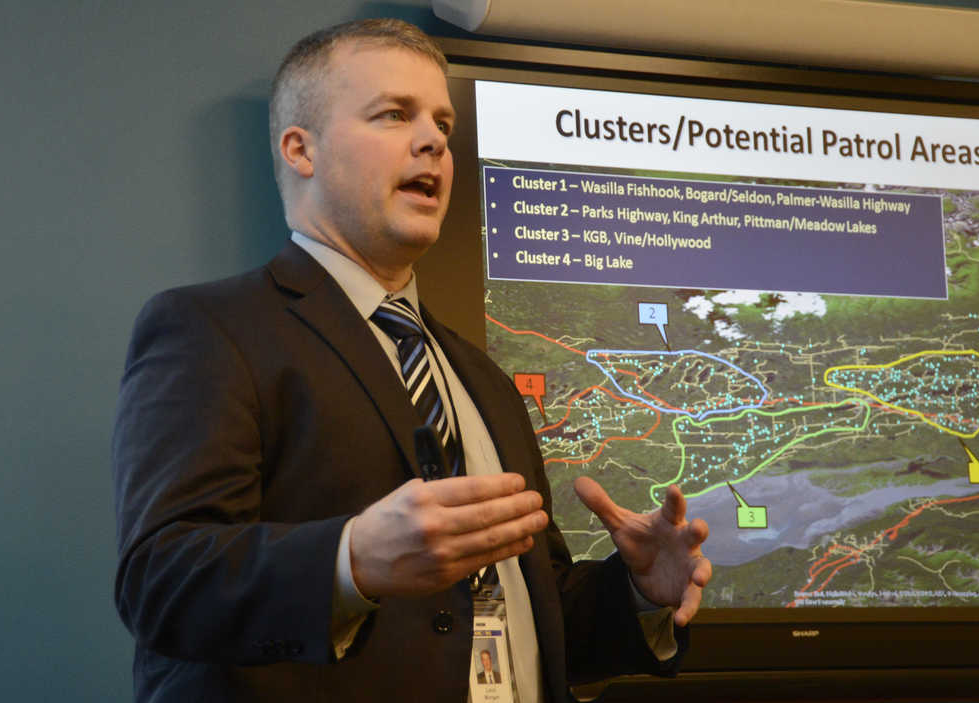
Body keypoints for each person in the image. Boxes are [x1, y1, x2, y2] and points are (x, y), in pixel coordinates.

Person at [111, 18, 711, 703]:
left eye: (443, 124)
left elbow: (534, 616)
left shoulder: (479, 377)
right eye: (394, 114)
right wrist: (352, 560)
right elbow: (161, 580)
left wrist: (636, 591)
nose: (432, 140)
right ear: (300, 149)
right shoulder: (212, 328)